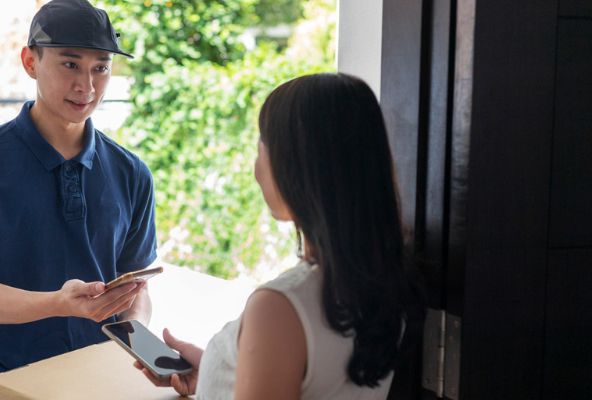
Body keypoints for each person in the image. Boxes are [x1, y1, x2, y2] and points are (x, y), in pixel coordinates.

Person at [135, 73, 422, 399]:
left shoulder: (280, 307)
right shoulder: (384, 280)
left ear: (295, 167)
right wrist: (220, 372)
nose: (256, 167)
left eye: (262, 146)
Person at [0, 1, 157, 398]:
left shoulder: (132, 173)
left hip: (102, 383)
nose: (87, 86)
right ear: (30, 61)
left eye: (101, 67)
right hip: (6, 384)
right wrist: (60, 303)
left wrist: (145, 351)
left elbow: (135, 293)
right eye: (70, 64)